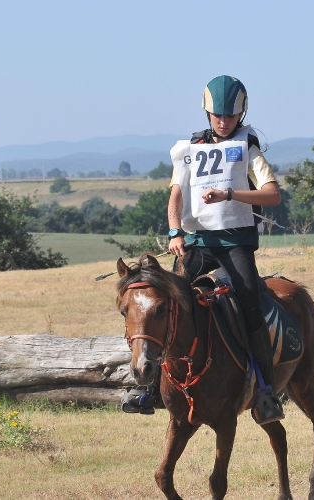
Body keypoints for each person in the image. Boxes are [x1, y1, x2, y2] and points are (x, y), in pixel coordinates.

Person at [131, 75, 284, 424]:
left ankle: (265, 391)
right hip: (199, 244)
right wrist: (174, 231)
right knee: (163, 304)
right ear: (207, 113)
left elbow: (272, 194)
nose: (223, 121)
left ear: (241, 113)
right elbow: (176, 195)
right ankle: (149, 388)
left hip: (236, 243)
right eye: (217, 115)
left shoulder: (249, 148)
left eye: (230, 116)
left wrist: (231, 194)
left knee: (250, 310)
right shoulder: (190, 149)